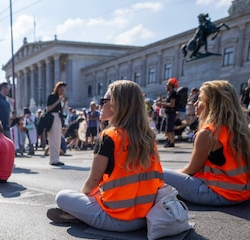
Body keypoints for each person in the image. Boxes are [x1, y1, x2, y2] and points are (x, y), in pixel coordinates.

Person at [47, 80, 163, 231]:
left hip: (117, 219)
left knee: (62, 197)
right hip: (146, 217)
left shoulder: (110, 136)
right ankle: (82, 214)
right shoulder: (148, 137)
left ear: (117, 104)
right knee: (96, 194)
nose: (100, 104)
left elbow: (92, 181)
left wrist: (81, 200)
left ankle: (77, 215)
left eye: (104, 101)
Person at [163, 80, 250, 205]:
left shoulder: (208, 133)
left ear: (212, 105)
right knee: (169, 174)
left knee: (154, 172)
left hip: (219, 193)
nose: (195, 103)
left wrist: (172, 174)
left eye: (199, 99)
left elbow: (190, 170)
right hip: (243, 192)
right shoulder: (237, 128)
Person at [44, 81, 67, 166]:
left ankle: (56, 158)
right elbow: (48, 108)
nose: (62, 92)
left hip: (58, 117)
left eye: (63, 90)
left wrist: (64, 103)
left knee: (58, 139)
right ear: (57, 89)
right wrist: (58, 101)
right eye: (61, 89)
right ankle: (53, 159)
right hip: (52, 117)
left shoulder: (59, 97)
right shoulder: (52, 97)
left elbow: (61, 110)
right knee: (53, 139)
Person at [155, 78, 179, 147]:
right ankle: (170, 141)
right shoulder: (169, 93)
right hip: (168, 113)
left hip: (171, 113)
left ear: (171, 86)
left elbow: (172, 104)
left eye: (167, 85)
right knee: (166, 128)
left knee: (168, 129)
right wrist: (162, 101)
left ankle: (171, 142)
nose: (166, 87)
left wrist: (161, 103)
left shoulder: (173, 94)